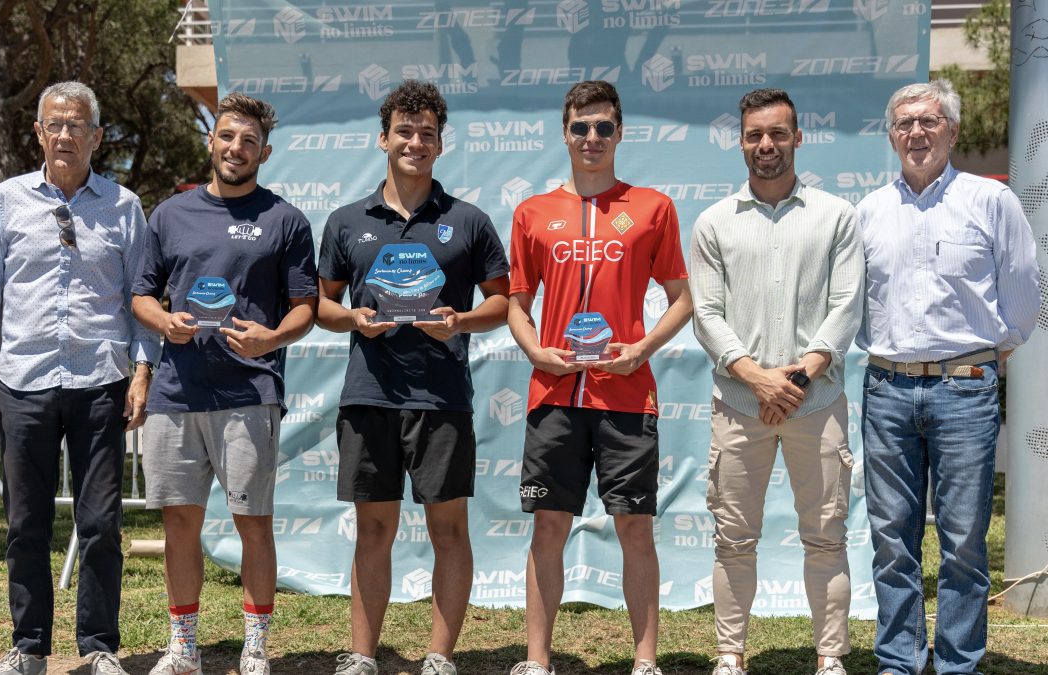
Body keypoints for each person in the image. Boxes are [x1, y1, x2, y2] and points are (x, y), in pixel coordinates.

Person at [316, 80, 509, 675]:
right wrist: (353, 318)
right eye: (405, 131)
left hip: (441, 396)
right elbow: (320, 306)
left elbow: (502, 304)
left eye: (427, 133)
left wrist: (460, 321)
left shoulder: (468, 221)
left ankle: (439, 656)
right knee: (373, 530)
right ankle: (362, 655)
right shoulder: (348, 220)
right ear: (384, 139)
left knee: (449, 530)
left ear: (440, 145)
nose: (415, 142)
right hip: (368, 394)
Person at [0, 81, 158, 675]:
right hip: (23, 380)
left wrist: (142, 370)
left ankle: (99, 647)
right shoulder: (5, 199)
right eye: (55, 124)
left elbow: (142, 297)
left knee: (100, 523)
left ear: (97, 136)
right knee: (26, 523)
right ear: (38, 133)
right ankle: (28, 649)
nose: (66, 134)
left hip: (101, 381)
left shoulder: (125, 206)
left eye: (78, 124)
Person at [506, 80, 693, 675]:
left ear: (619, 133)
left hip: (626, 394)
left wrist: (640, 348)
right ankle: (537, 661)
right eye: (581, 127)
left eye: (604, 127)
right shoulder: (532, 213)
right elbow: (516, 301)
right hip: (555, 392)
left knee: (634, 527)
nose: (592, 138)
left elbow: (682, 300)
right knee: (549, 528)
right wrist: (536, 350)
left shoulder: (652, 207)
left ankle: (645, 661)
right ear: (564, 133)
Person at [857, 79, 1040, 675]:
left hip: (965, 389)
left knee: (963, 540)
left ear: (952, 132)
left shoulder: (990, 201)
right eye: (904, 123)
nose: (916, 133)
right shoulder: (869, 211)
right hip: (885, 388)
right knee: (892, 539)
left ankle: (958, 662)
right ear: (891, 134)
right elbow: (856, 305)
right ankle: (898, 662)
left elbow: (1022, 296)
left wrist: (986, 356)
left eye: (929, 122)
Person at [131, 92, 318, 675]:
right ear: (211, 141)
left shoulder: (284, 218)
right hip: (175, 394)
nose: (236, 148)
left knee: (252, 523)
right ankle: (183, 645)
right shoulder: (168, 214)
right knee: (180, 522)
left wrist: (270, 340)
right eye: (227, 136)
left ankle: (255, 643)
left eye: (249, 141)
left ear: (265, 151)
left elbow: (306, 307)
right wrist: (163, 322)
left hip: (249, 394)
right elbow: (141, 294)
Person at [689, 88, 864, 675]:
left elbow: (845, 306)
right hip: (741, 401)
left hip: (818, 401)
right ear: (740, 141)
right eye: (755, 135)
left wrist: (790, 381)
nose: (767, 145)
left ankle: (831, 657)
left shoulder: (837, 216)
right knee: (733, 539)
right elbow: (706, 315)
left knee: (826, 537)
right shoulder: (713, 222)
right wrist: (758, 379)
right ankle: (729, 655)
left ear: (797, 137)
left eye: (778, 133)